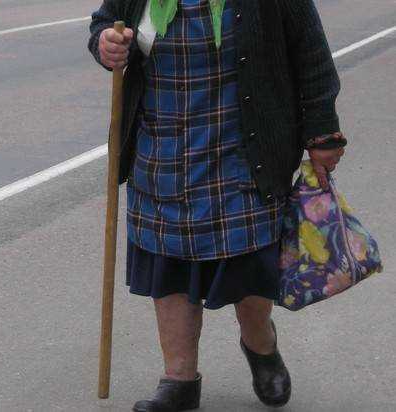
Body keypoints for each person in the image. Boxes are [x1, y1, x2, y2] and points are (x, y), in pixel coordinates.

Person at [88, 0, 347, 411]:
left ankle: (260, 344)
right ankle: (179, 380)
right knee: (169, 264)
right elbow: (106, 21)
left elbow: (310, 52)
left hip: (243, 151)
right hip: (162, 148)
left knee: (248, 267)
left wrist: (323, 132)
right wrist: (105, 43)